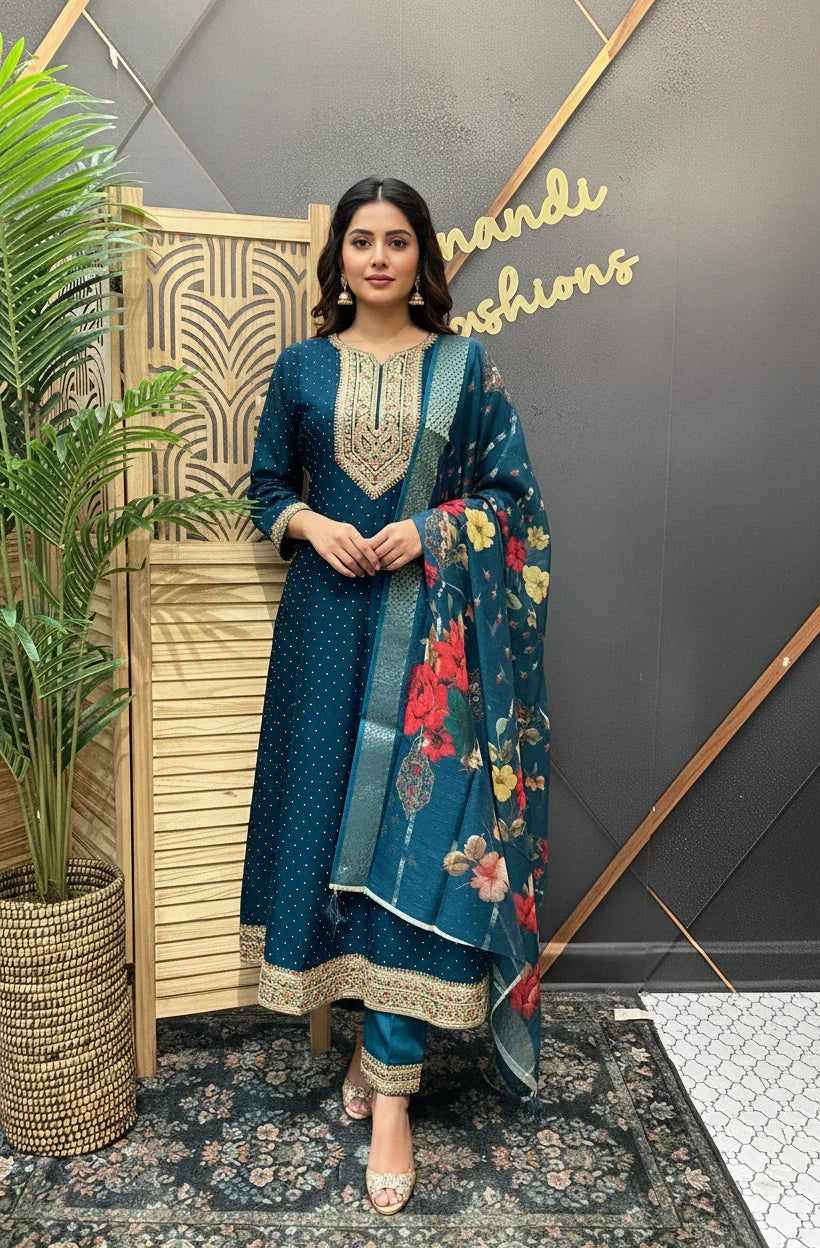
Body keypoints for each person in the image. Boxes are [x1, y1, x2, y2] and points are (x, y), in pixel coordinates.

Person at [240, 176, 551, 1215]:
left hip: (433, 643)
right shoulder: (299, 369)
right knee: (334, 830)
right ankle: (370, 1050)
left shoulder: (466, 371)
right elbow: (264, 489)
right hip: (325, 628)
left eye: (398, 241)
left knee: (414, 841)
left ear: (424, 258)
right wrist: (307, 525)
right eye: (360, 241)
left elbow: (512, 500)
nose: (378, 257)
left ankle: (390, 1094)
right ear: (337, 261)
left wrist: (432, 527)